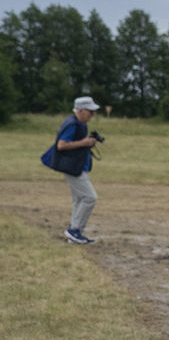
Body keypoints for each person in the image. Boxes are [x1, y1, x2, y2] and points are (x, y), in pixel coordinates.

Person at [54, 96, 105, 245]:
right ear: (81, 110)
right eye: (90, 112)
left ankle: (74, 232)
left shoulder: (80, 123)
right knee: (90, 198)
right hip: (73, 167)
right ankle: (74, 231)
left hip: (78, 166)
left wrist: (87, 143)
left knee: (79, 199)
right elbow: (61, 145)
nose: (92, 115)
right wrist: (84, 142)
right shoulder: (72, 124)